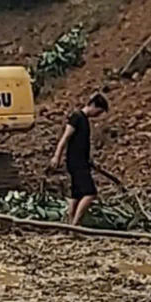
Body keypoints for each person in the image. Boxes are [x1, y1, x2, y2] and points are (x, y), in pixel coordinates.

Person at [50, 92, 110, 226]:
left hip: (81, 161)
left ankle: (70, 223)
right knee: (90, 193)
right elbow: (65, 138)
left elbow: (81, 143)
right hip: (76, 163)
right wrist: (57, 156)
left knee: (76, 195)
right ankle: (76, 224)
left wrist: (89, 160)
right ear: (93, 105)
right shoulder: (76, 117)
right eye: (98, 112)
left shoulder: (84, 120)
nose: (97, 115)